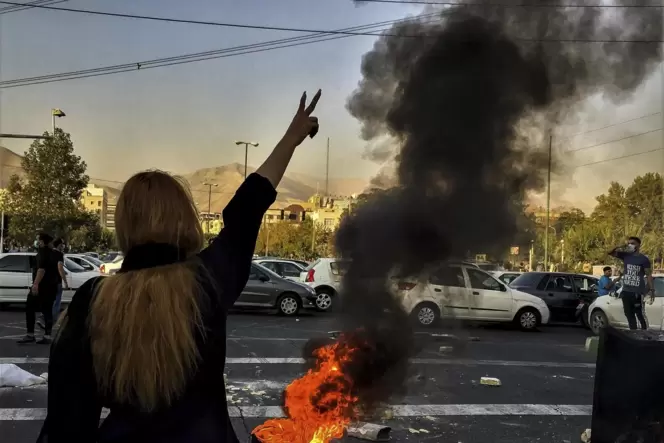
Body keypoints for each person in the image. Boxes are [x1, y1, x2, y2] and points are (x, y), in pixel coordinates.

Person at [37, 89, 321, 443]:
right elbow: (247, 208)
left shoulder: (92, 301)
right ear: (185, 218)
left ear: (125, 225)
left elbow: (67, 423)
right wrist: (291, 139)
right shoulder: (207, 280)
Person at [17, 233, 59, 344]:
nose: (37, 242)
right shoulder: (54, 253)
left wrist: (35, 284)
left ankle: (30, 335)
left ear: (42, 242)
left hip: (42, 287)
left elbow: (41, 269)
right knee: (47, 311)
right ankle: (47, 336)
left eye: (38, 240)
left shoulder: (42, 253)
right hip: (52, 286)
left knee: (30, 306)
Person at [608, 236, 654, 330]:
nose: (630, 245)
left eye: (633, 243)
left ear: (638, 245)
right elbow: (609, 252)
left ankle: (645, 333)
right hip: (626, 291)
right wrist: (619, 245)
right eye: (629, 243)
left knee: (640, 313)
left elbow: (648, 275)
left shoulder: (644, 259)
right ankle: (633, 332)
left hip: (637, 292)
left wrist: (652, 289)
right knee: (629, 314)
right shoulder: (625, 255)